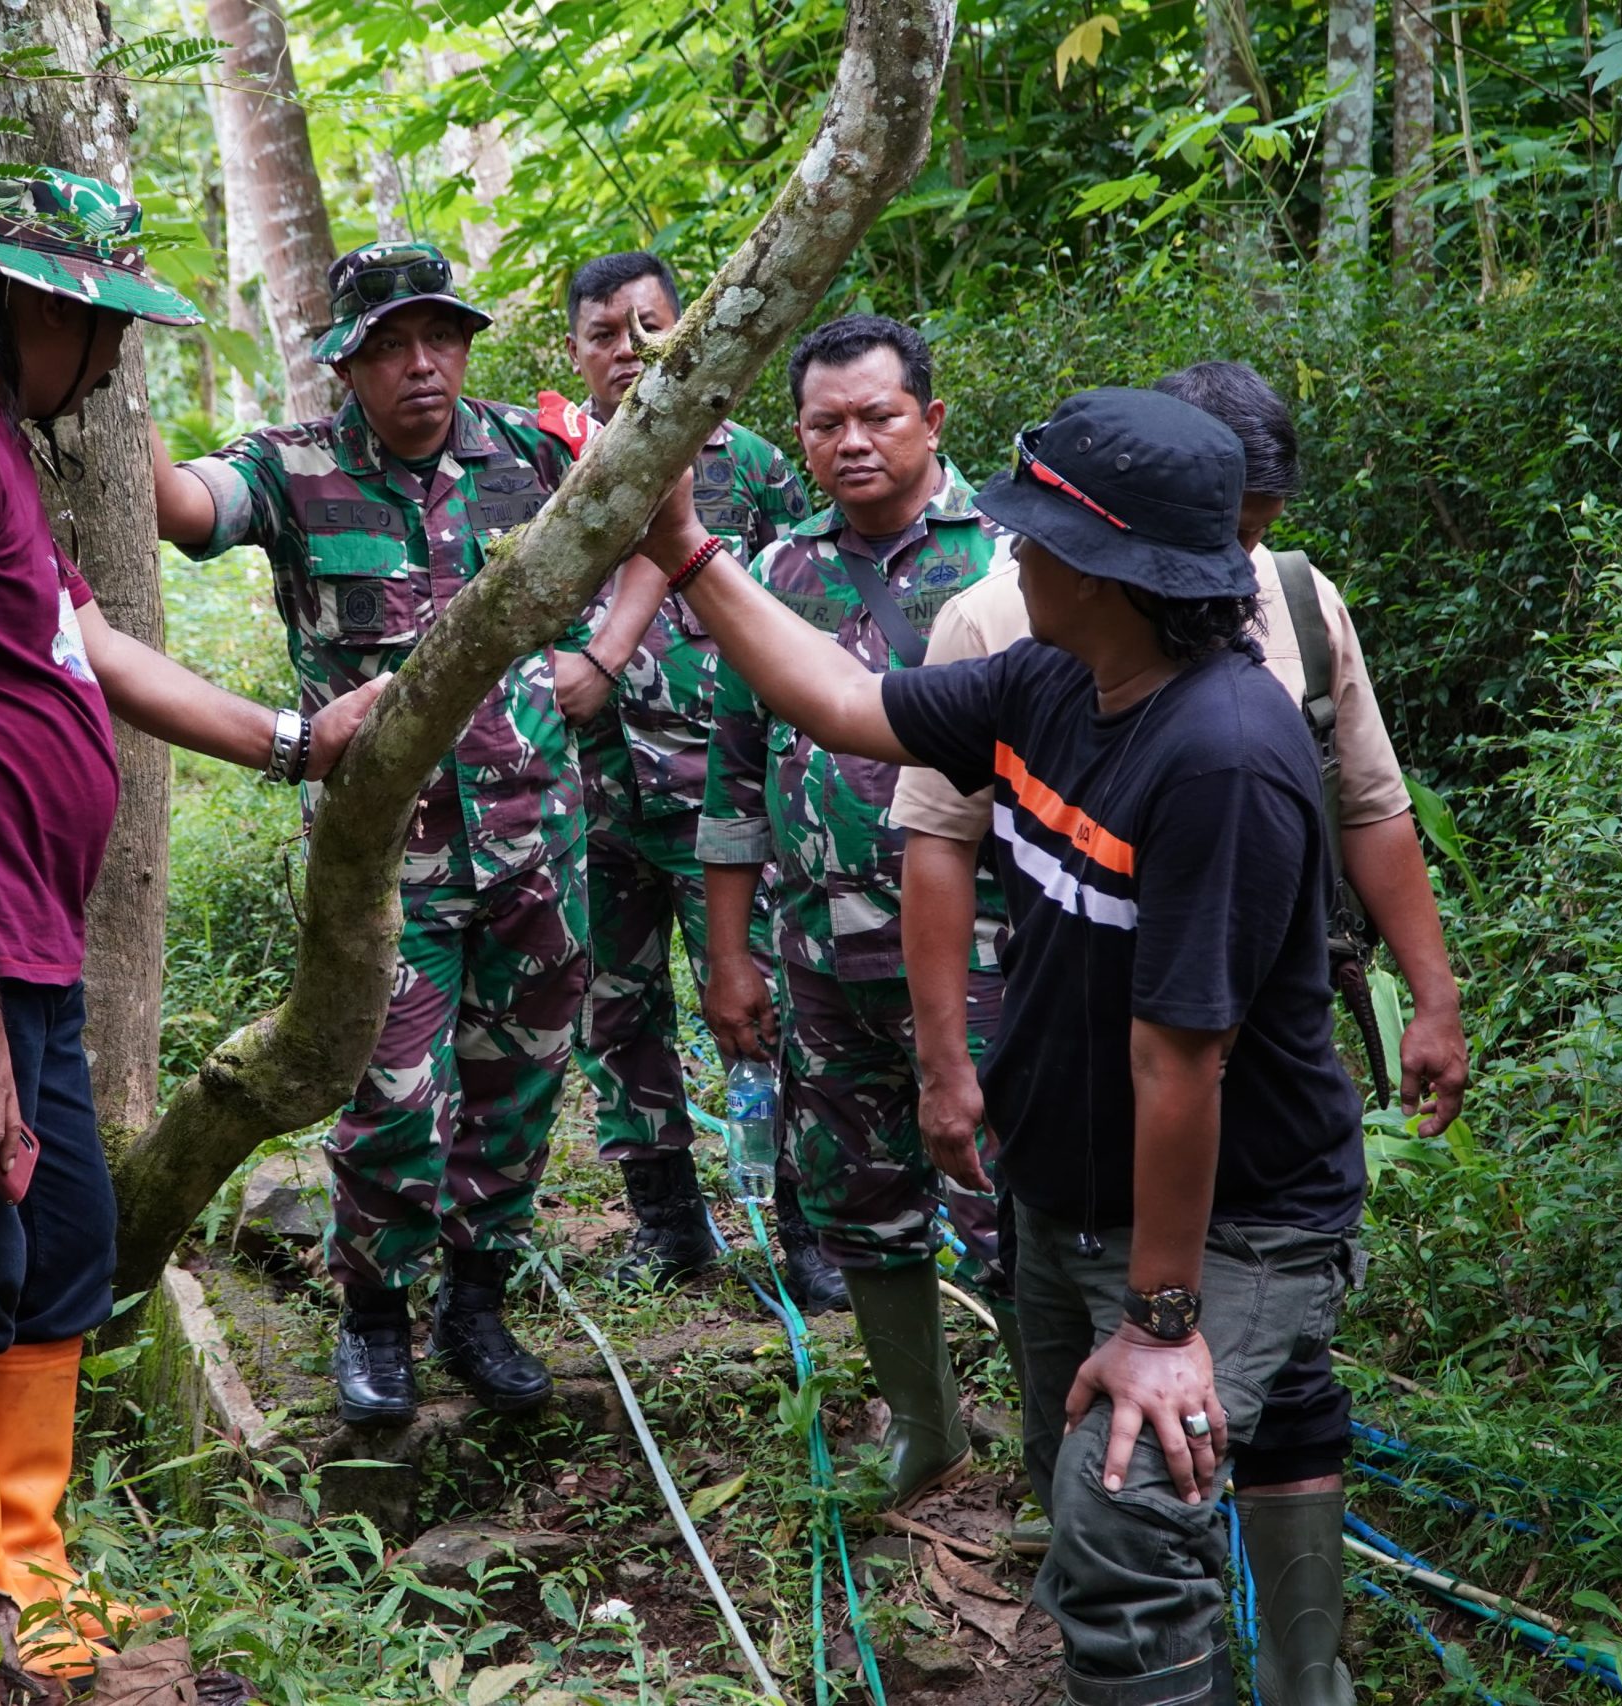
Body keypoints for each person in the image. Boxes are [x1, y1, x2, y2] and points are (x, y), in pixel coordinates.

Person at [652, 386, 1367, 1705]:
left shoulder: (1218, 755)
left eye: (1035, 540)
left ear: (1111, 569)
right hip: (1070, 1190)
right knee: (1072, 1482)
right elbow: (849, 702)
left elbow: (1181, 1062)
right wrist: (684, 548)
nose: (1010, 556)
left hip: (1232, 1222)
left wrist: (1164, 1324)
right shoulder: (1054, 682)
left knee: (1121, 1529)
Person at [0, 173, 384, 1676]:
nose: (116, 368)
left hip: (16, 937)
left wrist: (295, 739)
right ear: (39, 306)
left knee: (60, 1244)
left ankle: (32, 1567)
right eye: (106, 329)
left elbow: (85, 641)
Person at [889, 361, 1467, 1700]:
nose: (1248, 550)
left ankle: (1298, 1672)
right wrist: (949, 1061)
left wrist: (1430, 993)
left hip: (1240, 1149)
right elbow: (924, 821)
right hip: (1092, 1147)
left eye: (1261, 516)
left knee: (1171, 1483)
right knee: (1103, 1487)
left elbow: (1362, 805)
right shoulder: (1017, 639)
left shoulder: (1271, 654)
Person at [150, 241, 665, 1426]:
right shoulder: (295, 470)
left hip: (537, 840)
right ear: (348, 360)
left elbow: (651, 528)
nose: (420, 365)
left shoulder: (533, 456)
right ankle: (375, 1315)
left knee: (521, 1086)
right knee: (393, 1098)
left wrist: (604, 651)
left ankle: (477, 1301)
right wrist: (108, 385)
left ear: (467, 344)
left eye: (438, 337)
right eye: (388, 346)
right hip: (392, 867)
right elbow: (190, 508)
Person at [697, 313, 1010, 1501]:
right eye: (825, 423)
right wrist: (730, 954)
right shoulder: (776, 574)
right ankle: (925, 1428)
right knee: (858, 1196)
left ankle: (1056, 1464)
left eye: (879, 416)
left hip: (991, 949)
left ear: (931, 419)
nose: (854, 441)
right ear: (799, 438)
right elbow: (733, 770)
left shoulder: (1009, 561)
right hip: (821, 951)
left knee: (1010, 1204)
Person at [549, 251, 819, 1297]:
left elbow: (794, 607)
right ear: (572, 352)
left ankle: (806, 1221)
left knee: (764, 1004)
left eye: (648, 328)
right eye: (603, 335)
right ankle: (669, 1223)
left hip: (726, 799)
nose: (627, 352)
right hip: (591, 800)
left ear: (687, 333)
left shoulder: (748, 465)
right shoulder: (547, 463)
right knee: (614, 1012)